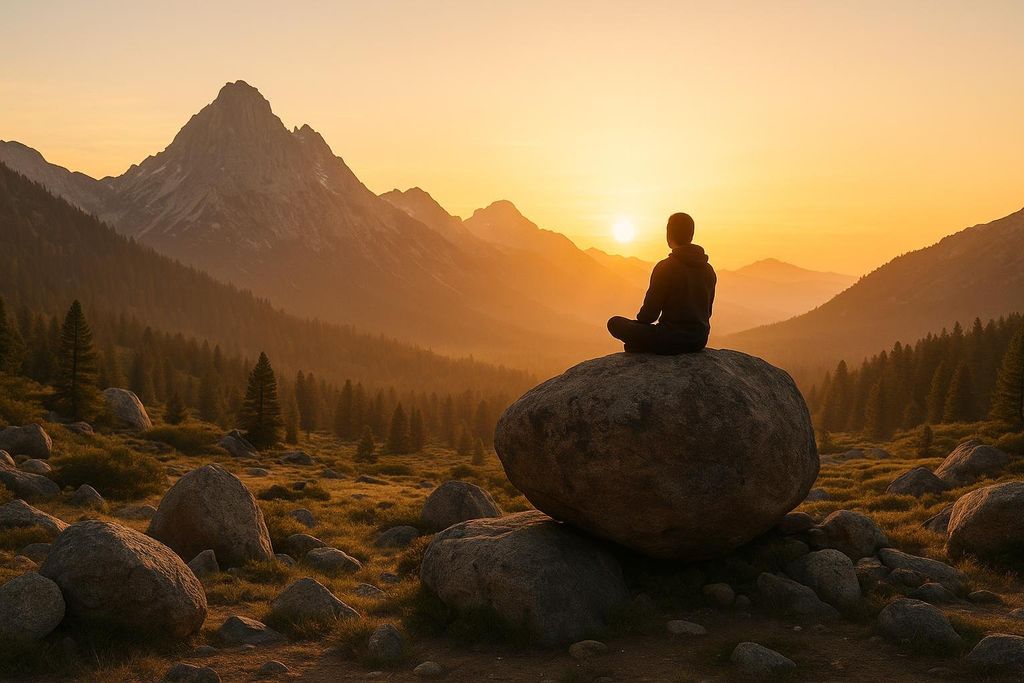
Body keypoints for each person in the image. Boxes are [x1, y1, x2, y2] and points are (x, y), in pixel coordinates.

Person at [607, 212, 716, 354]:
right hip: (698, 341)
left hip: (669, 338)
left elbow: (649, 315)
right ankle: (644, 345)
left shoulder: (666, 267)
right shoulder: (708, 270)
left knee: (615, 323)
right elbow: (707, 312)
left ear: (669, 235)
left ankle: (643, 345)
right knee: (640, 338)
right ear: (691, 234)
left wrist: (638, 328)